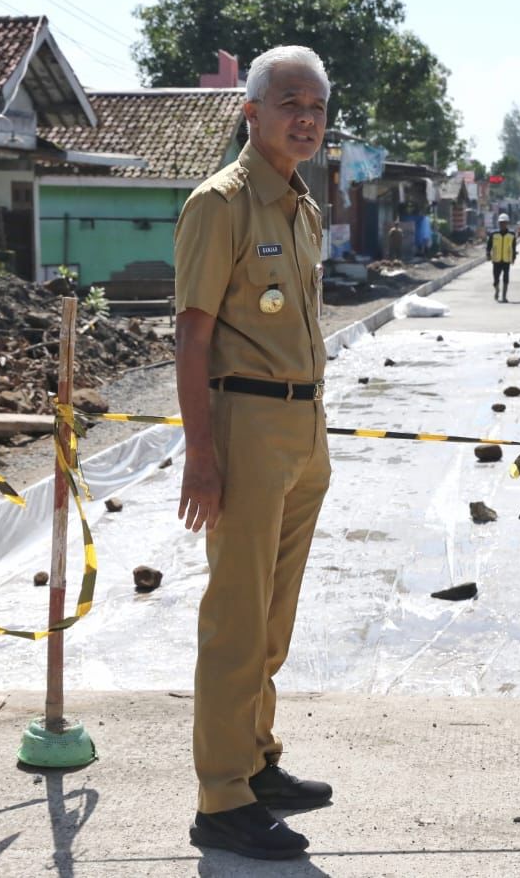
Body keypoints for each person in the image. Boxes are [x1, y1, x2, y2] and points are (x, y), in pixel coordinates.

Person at [172, 45, 333, 861]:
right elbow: (191, 335)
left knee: (273, 616)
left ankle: (257, 758)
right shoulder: (221, 204)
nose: (305, 119)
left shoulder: (302, 207)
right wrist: (201, 456)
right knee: (235, 616)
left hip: (304, 427)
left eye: (317, 108)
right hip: (243, 425)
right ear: (252, 111)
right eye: (289, 103)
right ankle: (221, 797)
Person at [487, 213, 517, 302]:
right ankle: (497, 289)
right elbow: (489, 246)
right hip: (496, 259)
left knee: (506, 278)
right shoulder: (494, 234)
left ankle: (504, 296)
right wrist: (488, 254)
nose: (502, 224)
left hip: (506, 259)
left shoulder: (511, 234)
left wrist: (513, 257)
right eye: (501, 223)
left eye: (504, 223)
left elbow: (513, 247)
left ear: (507, 223)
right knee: (496, 278)